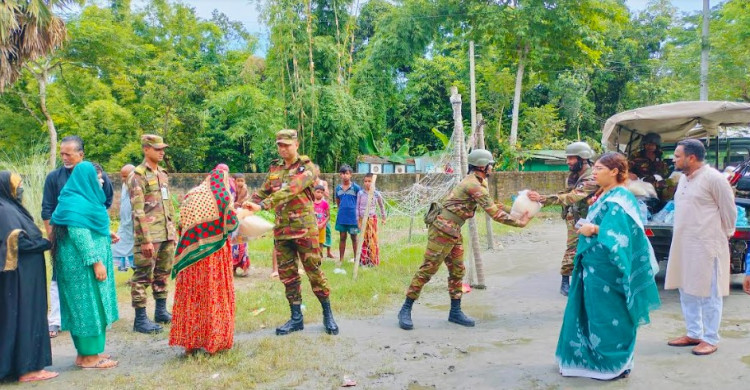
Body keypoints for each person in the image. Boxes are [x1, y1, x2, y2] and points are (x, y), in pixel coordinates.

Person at [398, 149, 531, 330]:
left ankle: (455, 312)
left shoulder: (478, 182)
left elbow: (493, 204)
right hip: (442, 230)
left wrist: (516, 211)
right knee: (428, 269)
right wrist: (519, 223)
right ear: (483, 166)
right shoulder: (473, 185)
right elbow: (494, 213)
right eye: (490, 164)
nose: (492, 168)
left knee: (458, 270)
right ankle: (405, 309)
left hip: (453, 230)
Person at [555, 152, 661, 380]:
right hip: (594, 267)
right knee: (593, 314)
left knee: (609, 315)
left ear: (615, 171)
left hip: (609, 271)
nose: (594, 173)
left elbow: (622, 235)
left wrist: (593, 230)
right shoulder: (606, 194)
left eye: (599, 169)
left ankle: (613, 362)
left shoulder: (620, 198)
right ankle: (596, 359)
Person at [244, 129, 339, 336]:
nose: (283, 148)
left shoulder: (307, 168)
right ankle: (296, 318)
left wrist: (264, 205)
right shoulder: (275, 169)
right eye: (279, 144)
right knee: (288, 276)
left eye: (287, 144)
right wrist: (248, 204)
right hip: (282, 232)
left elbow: (291, 190)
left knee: (315, 272)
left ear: (296, 144)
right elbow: (263, 191)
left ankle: (327, 314)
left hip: (304, 231)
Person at [665, 139, 737, 356]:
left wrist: (720, 238)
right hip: (683, 244)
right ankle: (694, 332)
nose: (674, 159)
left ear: (691, 158)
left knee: (709, 292)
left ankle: (710, 338)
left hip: (707, 245)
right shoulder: (683, 179)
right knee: (686, 289)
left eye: (677, 156)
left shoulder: (714, 178)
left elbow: (729, 212)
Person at [41, 135, 114, 338]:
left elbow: (105, 201)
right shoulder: (55, 178)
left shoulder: (96, 174)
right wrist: (52, 236)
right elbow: (47, 209)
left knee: (91, 285)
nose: (64, 157)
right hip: (64, 238)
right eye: (62, 153)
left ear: (80, 154)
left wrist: (100, 228)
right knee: (60, 278)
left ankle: (95, 322)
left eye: (68, 154)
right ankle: (55, 320)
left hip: (90, 237)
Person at [51, 161, 119, 369]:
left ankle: (86, 354)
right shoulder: (76, 202)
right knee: (89, 307)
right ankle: (90, 359)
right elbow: (79, 233)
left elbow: (86, 226)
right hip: (83, 266)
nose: (101, 181)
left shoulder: (80, 198)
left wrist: (106, 233)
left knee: (84, 307)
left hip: (80, 265)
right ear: (85, 178)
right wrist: (96, 262)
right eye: (97, 177)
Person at [170, 168, 240, 355]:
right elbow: (232, 223)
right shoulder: (223, 197)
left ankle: (190, 345)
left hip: (190, 256)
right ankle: (214, 342)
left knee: (192, 296)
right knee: (213, 295)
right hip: (214, 256)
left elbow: (180, 225)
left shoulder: (191, 194)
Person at [0, 172, 58, 382]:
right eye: (18, 185)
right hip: (19, 279)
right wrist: (45, 243)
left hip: (26, 276)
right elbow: (17, 242)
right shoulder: (5, 211)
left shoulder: (11, 208)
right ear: (7, 188)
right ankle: (28, 369)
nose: (21, 189)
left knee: (26, 316)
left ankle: (22, 367)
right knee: (26, 317)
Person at [528, 141, 598, 296]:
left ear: (583, 158)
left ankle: (589, 280)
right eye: (568, 158)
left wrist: (543, 198)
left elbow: (572, 196)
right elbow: (565, 193)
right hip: (575, 217)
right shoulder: (573, 176)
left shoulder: (592, 177)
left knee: (592, 249)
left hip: (591, 219)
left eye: (571, 158)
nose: (568, 161)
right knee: (572, 248)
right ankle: (565, 282)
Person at [128, 134, 177, 334]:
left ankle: (160, 311)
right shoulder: (138, 175)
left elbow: (168, 204)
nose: (162, 152)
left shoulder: (163, 173)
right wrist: (145, 240)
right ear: (146, 149)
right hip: (149, 236)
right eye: (157, 149)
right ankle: (140, 319)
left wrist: (173, 230)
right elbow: (138, 211)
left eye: (162, 148)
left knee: (163, 273)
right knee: (142, 276)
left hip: (165, 233)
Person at [356, 173, 386, 267]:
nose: (367, 183)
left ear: (373, 182)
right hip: (362, 218)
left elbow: (381, 206)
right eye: (366, 181)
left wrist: (383, 218)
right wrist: (358, 220)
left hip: (372, 219)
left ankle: (373, 261)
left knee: (372, 239)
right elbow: (357, 207)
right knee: (363, 239)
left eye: (370, 181)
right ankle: (363, 260)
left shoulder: (376, 194)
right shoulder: (360, 193)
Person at [335, 164, 361, 267]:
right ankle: (341, 260)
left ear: (351, 175)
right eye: (342, 173)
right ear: (340, 175)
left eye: (347, 173)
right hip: (342, 218)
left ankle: (356, 259)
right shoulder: (338, 188)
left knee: (354, 237)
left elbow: (360, 201)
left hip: (353, 219)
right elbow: (338, 202)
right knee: (342, 237)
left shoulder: (356, 188)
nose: (345, 175)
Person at [113, 164, 136, 272]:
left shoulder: (137, 186)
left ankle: (138, 276)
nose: (123, 179)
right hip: (125, 225)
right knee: (118, 247)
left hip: (135, 226)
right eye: (122, 176)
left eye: (125, 176)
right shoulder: (124, 186)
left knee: (136, 252)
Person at [231, 173, 251, 276]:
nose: (240, 183)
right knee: (233, 245)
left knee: (242, 244)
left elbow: (247, 206)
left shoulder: (245, 192)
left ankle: (245, 268)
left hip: (242, 222)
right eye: (238, 180)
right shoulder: (231, 192)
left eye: (242, 181)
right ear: (234, 181)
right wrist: (233, 205)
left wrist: (241, 205)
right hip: (233, 222)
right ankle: (233, 268)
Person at [314, 165, 335, 259]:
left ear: (319, 172)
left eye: (316, 171)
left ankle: (328, 252)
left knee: (328, 230)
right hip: (313, 208)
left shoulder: (323, 182)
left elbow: (327, 194)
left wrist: (321, 188)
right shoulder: (309, 183)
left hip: (323, 209)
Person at [314, 185, 331, 260]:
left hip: (321, 227)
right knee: (313, 242)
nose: (319, 194)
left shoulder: (325, 203)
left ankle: (320, 257)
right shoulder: (311, 203)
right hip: (313, 226)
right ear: (313, 192)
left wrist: (322, 224)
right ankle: (314, 257)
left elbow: (328, 216)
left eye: (321, 192)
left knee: (320, 242)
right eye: (318, 192)